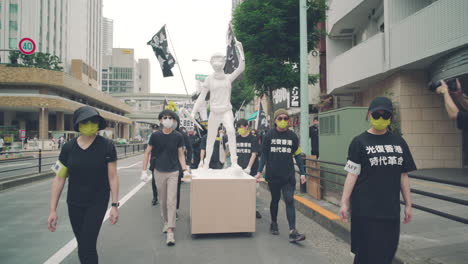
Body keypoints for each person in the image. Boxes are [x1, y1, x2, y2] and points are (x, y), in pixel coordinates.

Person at [339, 97, 416, 264]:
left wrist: (408, 204)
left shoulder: (399, 142)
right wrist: (344, 202)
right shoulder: (359, 142)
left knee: (387, 252)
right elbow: (352, 174)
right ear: (369, 115)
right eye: (376, 115)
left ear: (390, 117)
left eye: (385, 115)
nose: (380, 119)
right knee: (365, 254)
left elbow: (403, 175)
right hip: (364, 210)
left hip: (390, 210)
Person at [47, 106, 119, 264]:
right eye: (86, 121)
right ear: (78, 124)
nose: (90, 124)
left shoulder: (107, 146)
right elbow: (59, 178)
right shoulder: (67, 148)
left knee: (87, 243)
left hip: (97, 202)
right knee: (82, 244)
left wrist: (114, 205)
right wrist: (52, 209)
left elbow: (112, 177)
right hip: (74, 203)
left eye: (94, 121)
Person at [191, 41, 245, 169]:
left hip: (226, 110)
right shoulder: (209, 79)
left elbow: (241, 68)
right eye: (214, 60)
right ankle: (207, 163)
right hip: (214, 112)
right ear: (211, 63)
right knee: (210, 138)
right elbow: (201, 97)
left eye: (219, 59)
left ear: (224, 61)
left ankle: (234, 162)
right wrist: (193, 111)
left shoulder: (228, 78)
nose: (217, 63)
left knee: (231, 131)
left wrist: (240, 50)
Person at [256, 109, 307, 243]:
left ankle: (292, 231)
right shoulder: (269, 136)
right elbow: (264, 155)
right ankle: (273, 223)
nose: (283, 121)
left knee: (289, 200)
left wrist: (302, 172)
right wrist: (260, 170)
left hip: (288, 175)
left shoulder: (293, 136)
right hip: (273, 175)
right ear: (275, 120)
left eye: (285, 118)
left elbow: (297, 155)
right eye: (280, 118)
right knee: (275, 199)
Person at [142, 110, 190, 246]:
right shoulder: (155, 136)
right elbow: (147, 153)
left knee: (171, 201)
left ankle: (170, 231)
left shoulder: (178, 136)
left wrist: (185, 169)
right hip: (159, 171)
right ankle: (166, 221)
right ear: (161, 120)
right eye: (165, 117)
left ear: (174, 121)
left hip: (174, 171)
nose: (168, 119)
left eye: (170, 117)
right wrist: (144, 171)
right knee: (162, 201)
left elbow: (181, 154)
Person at [236, 119, 262, 219]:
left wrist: (249, 167)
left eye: (241, 127)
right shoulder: (236, 138)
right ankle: (241, 208)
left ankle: (255, 209)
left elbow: (254, 154)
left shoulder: (253, 139)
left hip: (252, 169)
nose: (240, 129)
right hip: (239, 169)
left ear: (247, 126)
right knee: (239, 190)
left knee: (255, 190)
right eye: (238, 127)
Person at [148, 124, 159, 206]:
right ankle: (155, 197)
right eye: (153, 129)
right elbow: (148, 150)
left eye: (156, 129)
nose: (154, 130)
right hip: (154, 160)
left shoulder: (162, 136)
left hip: (163, 160)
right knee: (154, 180)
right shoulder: (150, 137)